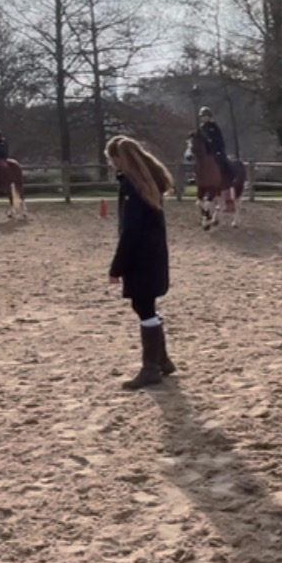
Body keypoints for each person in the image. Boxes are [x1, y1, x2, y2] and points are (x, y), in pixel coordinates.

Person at [106, 135, 176, 387]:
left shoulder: (132, 187)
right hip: (153, 253)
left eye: (112, 160)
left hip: (141, 256)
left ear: (119, 159)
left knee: (143, 307)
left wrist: (116, 267)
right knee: (146, 306)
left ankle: (151, 368)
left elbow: (130, 231)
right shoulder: (148, 183)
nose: (111, 164)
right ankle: (162, 360)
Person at [195, 107, 234, 190]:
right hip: (206, 152)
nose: (204, 118)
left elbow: (219, 140)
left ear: (209, 117)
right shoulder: (200, 129)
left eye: (205, 116)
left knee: (223, 161)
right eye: (202, 116)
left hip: (216, 150)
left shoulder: (214, 127)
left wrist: (215, 148)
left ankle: (229, 177)